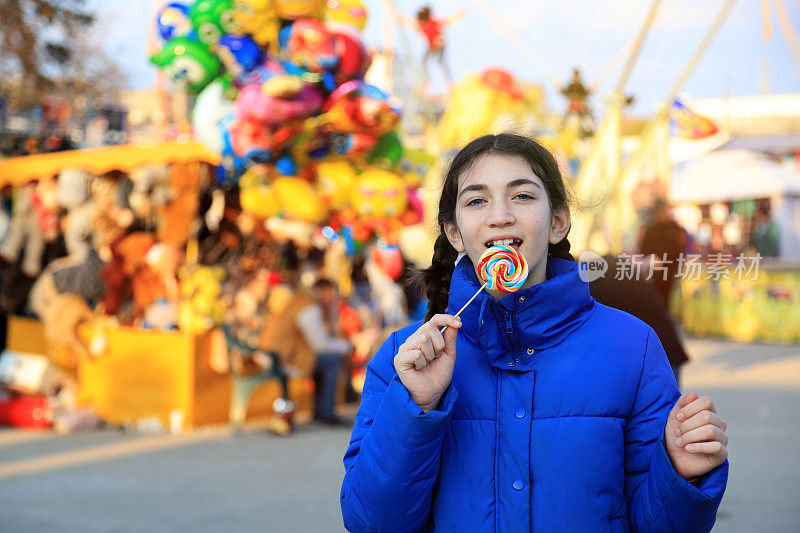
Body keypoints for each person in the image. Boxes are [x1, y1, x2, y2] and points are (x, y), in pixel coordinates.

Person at [340, 134, 729, 531]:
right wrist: (414, 408)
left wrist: (681, 474)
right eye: (477, 200)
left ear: (558, 222)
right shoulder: (406, 356)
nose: (500, 215)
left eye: (522, 196)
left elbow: (659, 525)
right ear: (455, 233)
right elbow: (370, 522)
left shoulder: (633, 345)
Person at [261, 278, 352, 425]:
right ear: (321, 291)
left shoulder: (300, 300)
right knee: (331, 361)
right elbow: (319, 344)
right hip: (284, 358)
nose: (332, 299)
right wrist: (347, 346)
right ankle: (326, 413)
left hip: (275, 355)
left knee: (324, 361)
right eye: (330, 294)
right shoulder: (309, 308)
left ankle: (321, 411)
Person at [590, 255, 689, 388]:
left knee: (663, 406)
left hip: (657, 357)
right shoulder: (606, 267)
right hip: (662, 350)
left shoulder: (594, 283)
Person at [640, 198, 688, 314]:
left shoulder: (674, 228)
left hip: (671, 267)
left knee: (668, 294)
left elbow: (681, 245)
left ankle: (666, 314)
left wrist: (679, 263)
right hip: (656, 268)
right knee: (656, 293)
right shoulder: (651, 229)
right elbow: (645, 248)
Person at [401, 5, 465, 89]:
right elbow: (410, 22)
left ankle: (450, 83)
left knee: (441, 62)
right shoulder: (419, 23)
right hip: (431, 46)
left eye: (423, 22)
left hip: (440, 45)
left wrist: (459, 15)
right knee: (424, 62)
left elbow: (448, 21)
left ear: (426, 20)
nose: (422, 24)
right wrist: (400, 18)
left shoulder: (434, 23)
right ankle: (426, 81)